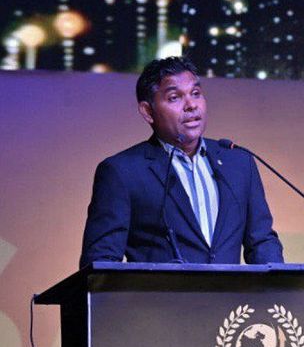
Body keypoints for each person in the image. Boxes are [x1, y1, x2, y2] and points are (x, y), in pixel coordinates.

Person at [79, 56, 284, 267]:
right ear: (148, 112)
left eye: (196, 93)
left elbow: (261, 242)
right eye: (174, 97)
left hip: (231, 291)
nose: (191, 105)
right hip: (160, 290)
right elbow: (101, 261)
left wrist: (279, 284)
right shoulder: (122, 172)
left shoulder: (238, 163)